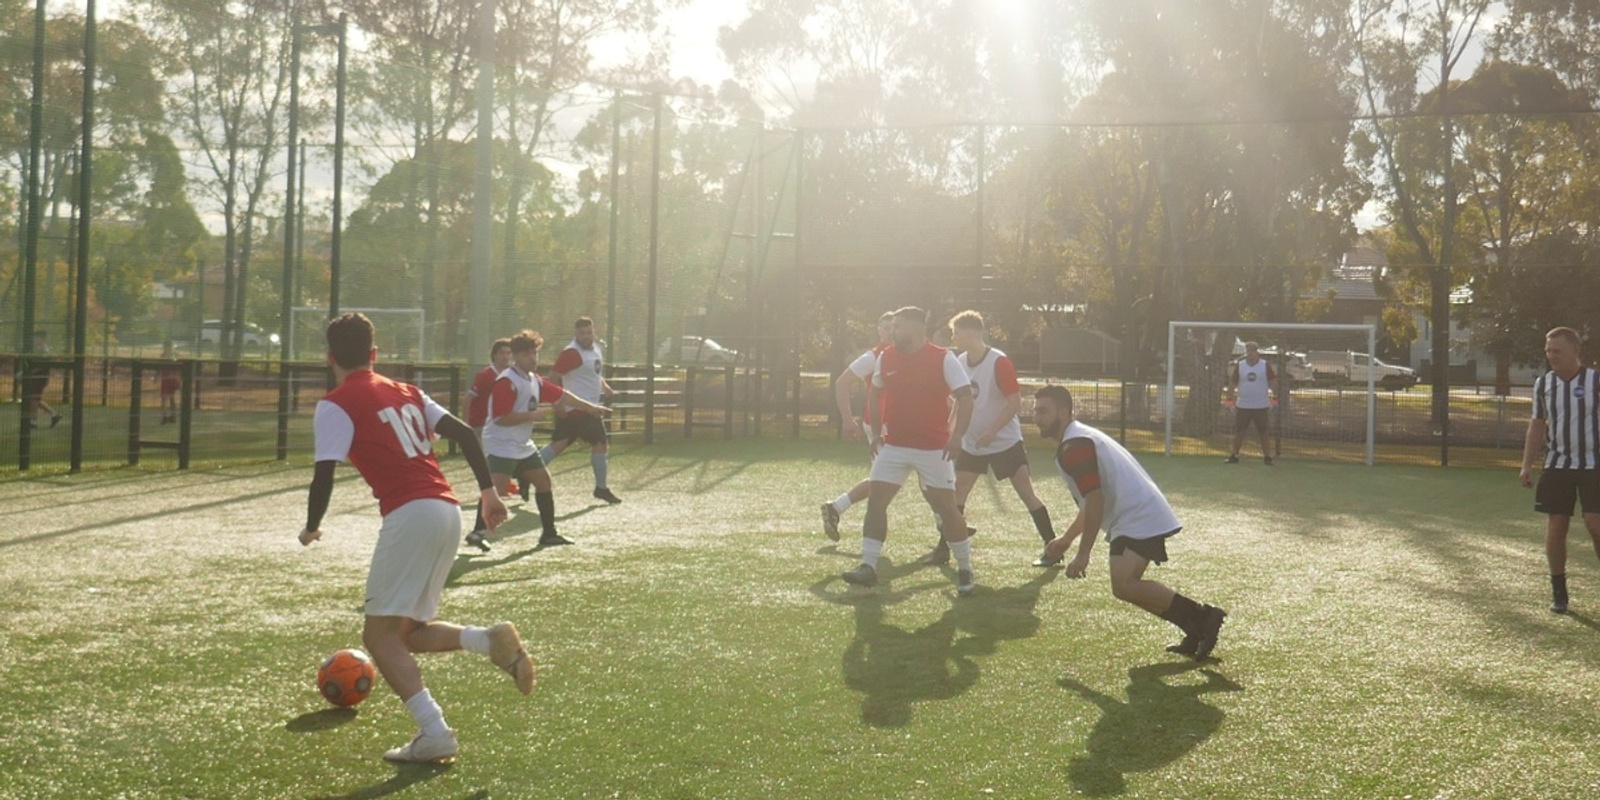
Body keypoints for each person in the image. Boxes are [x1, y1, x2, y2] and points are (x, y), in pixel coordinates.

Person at [298, 312, 535, 764]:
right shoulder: (407, 390)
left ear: (330, 357)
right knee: (407, 631)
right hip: (447, 510)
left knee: (378, 634)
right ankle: (489, 640)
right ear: (374, 354)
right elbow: (465, 433)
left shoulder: (335, 403)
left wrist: (312, 526)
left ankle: (435, 731)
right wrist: (488, 495)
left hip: (410, 513)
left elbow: (323, 473)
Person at [1033, 384, 1227, 659]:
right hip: (1135, 515)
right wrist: (1066, 539)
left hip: (1138, 516)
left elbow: (1096, 499)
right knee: (1125, 586)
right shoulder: (1077, 438)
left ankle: (1204, 618)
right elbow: (1090, 502)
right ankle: (1196, 628)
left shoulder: (1074, 445)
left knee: (1124, 584)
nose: (1036, 417)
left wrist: (1083, 554)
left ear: (1063, 413)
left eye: (1043, 411)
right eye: (1035, 410)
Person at [842, 306, 977, 595]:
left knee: (947, 509)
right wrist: (877, 433)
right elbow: (876, 391)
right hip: (894, 446)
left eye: (898, 327)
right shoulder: (886, 356)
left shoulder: (944, 358)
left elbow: (965, 397)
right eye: (891, 327)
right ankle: (868, 566)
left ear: (917, 329)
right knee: (876, 501)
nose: (892, 332)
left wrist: (958, 437)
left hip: (933, 450)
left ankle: (965, 568)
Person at [923, 310, 1056, 566]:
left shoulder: (999, 362)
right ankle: (944, 550)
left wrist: (992, 431)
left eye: (957, 332)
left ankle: (1052, 548)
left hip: (1004, 442)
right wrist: (951, 433)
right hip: (972, 444)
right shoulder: (959, 361)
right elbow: (958, 403)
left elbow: (1014, 402)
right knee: (957, 494)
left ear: (972, 332)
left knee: (1026, 493)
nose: (954, 337)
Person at [482, 329, 610, 549]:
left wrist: (591, 408)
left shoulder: (534, 380)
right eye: (526, 354)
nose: (532, 358)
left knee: (543, 481)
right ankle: (477, 532)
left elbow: (563, 395)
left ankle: (549, 534)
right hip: (501, 443)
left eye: (534, 353)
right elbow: (501, 418)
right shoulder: (507, 381)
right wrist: (532, 415)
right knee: (497, 490)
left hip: (522, 444)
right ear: (515, 356)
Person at [1519, 327, 1600, 614]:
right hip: (1557, 464)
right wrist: (1526, 464)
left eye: (1558, 351)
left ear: (1576, 351)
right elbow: (1538, 424)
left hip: (1594, 464)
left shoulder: (1595, 380)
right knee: (1556, 526)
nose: (1552, 356)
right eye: (1549, 351)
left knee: (1595, 524)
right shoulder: (1544, 384)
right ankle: (1559, 593)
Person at [821, 311, 895, 540]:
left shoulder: (908, 352)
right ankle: (946, 523)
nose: (892, 332)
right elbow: (842, 382)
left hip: (898, 424)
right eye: (886, 328)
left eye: (895, 327)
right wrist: (847, 418)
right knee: (888, 479)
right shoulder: (874, 356)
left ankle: (836, 507)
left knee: (892, 479)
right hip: (880, 426)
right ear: (879, 331)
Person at [539, 317, 622, 505]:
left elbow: (593, 373)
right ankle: (527, 471)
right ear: (576, 334)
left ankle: (529, 472)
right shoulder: (571, 353)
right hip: (576, 410)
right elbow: (552, 379)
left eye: (589, 332)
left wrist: (605, 387)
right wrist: (558, 404)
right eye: (582, 333)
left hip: (589, 409)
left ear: (594, 332)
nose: (586, 336)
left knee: (575, 444)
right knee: (590, 443)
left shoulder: (596, 349)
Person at [463, 338, 514, 551]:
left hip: (498, 432)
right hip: (481, 429)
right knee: (489, 478)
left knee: (496, 476)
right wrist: (465, 425)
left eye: (508, 353)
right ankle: (478, 529)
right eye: (502, 353)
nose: (506, 356)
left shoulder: (509, 376)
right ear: (494, 356)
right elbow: (468, 398)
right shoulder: (486, 375)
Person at [1223, 341, 1278, 465]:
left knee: (1263, 432)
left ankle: (1267, 457)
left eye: (1252, 351)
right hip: (1243, 405)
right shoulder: (1240, 365)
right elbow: (1233, 383)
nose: (1250, 353)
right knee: (1239, 431)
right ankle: (1234, 456)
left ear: (1257, 352)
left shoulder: (1265, 365)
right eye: (1248, 351)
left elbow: (1273, 382)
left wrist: (1275, 399)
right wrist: (1229, 400)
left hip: (1261, 405)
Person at [21, 331, 62, 429]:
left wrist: (29, 373)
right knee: (36, 399)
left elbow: (42, 366)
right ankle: (54, 415)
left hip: (40, 379)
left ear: (41, 340)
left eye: (37, 338)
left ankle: (33, 421)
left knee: (34, 399)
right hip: (36, 378)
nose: (35, 340)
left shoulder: (45, 351)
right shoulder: (39, 350)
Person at [158, 340, 181, 425]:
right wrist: (156, 376)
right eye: (166, 347)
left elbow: (180, 368)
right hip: (165, 379)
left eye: (169, 347)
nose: (167, 349)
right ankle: (164, 416)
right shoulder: (162, 356)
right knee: (164, 398)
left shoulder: (176, 356)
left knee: (172, 398)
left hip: (173, 379)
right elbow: (159, 367)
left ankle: (173, 416)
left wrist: (179, 379)